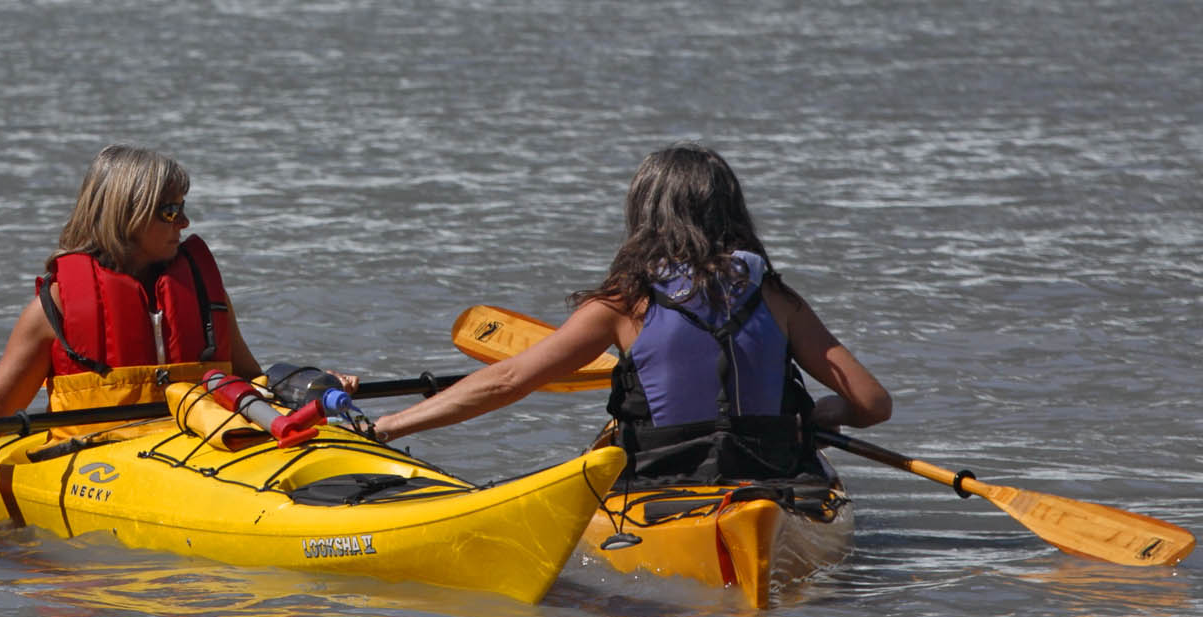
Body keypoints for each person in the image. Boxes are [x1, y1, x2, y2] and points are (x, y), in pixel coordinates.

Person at [374, 143, 891, 484]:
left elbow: (506, 380)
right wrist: (819, 416)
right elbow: (871, 404)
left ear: (644, 214)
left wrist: (388, 428)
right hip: (770, 478)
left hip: (666, 483)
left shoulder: (623, 305)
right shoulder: (777, 299)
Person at [0, 145, 268, 430]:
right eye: (169, 211)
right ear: (125, 216)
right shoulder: (58, 307)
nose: (184, 222)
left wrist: (312, 384)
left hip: (205, 449)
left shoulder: (202, 295)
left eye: (182, 208)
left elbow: (251, 378)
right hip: (104, 466)